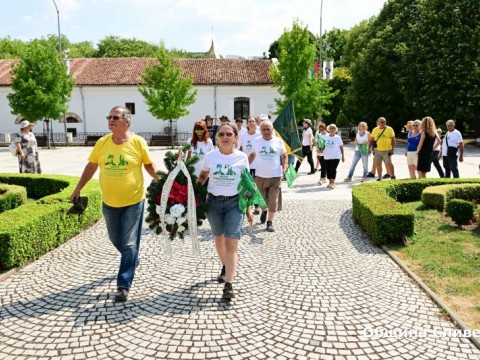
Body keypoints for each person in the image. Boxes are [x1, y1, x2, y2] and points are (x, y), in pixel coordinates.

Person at [70, 106, 158, 303]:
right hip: (109, 202)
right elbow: (92, 166)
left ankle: (123, 285)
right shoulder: (102, 143)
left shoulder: (138, 142)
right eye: (109, 117)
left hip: (133, 201)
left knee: (128, 243)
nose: (111, 120)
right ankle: (132, 258)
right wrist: (78, 188)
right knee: (114, 238)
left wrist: (165, 183)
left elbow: (149, 166)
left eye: (115, 117)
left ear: (126, 121)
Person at [197, 122, 251, 300]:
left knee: (231, 242)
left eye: (229, 134)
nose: (225, 137)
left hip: (234, 203)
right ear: (216, 138)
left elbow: (247, 184)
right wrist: (193, 195)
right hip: (213, 203)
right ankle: (225, 266)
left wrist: (249, 208)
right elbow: (203, 176)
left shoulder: (242, 158)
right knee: (218, 238)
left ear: (235, 137)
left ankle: (229, 284)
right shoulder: (210, 156)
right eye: (222, 134)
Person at [248, 120, 287, 232]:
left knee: (273, 200)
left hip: (275, 176)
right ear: (260, 130)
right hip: (260, 175)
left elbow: (284, 156)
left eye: (268, 129)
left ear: (272, 129)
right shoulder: (256, 141)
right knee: (262, 200)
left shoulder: (278, 142)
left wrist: (284, 168)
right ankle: (264, 210)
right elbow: (252, 155)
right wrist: (244, 166)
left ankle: (270, 222)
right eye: (264, 129)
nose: (266, 131)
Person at [239, 116, 261, 214]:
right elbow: (241, 149)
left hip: (257, 165)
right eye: (249, 121)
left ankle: (256, 205)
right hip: (246, 164)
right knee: (247, 184)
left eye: (253, 121)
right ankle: (248, 204)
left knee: (256, 185)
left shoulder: (259, 135)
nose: (251, 123)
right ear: (247, 124)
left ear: (256, 123)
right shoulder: (243, 135)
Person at [369, 117, 396, 181]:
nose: (383, 123)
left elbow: (393, 139)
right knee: (378, 163)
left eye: (384, 122)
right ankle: (379, 177)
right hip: (377, 150)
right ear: (378, 123)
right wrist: (368, 148)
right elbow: (371, 140)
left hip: (387, 150)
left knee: (389, 163)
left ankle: (393, 175)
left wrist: (392, 149)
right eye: (381, 122)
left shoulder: (389, 129)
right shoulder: (375, 129)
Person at [323, 124, 345, 189]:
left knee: (333, 169)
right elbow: (323, 146)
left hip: (336, 156)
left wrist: (343, 156)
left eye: (333, 129)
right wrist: (320, 150)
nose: (332, 130)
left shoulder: (338, 137)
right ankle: (330, 182)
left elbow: (341, 147)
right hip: (327, 156)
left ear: (335, 130)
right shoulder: (326, 137)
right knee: (328, 170)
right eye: (331, 128)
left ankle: (333, 182)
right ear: (328, 129)